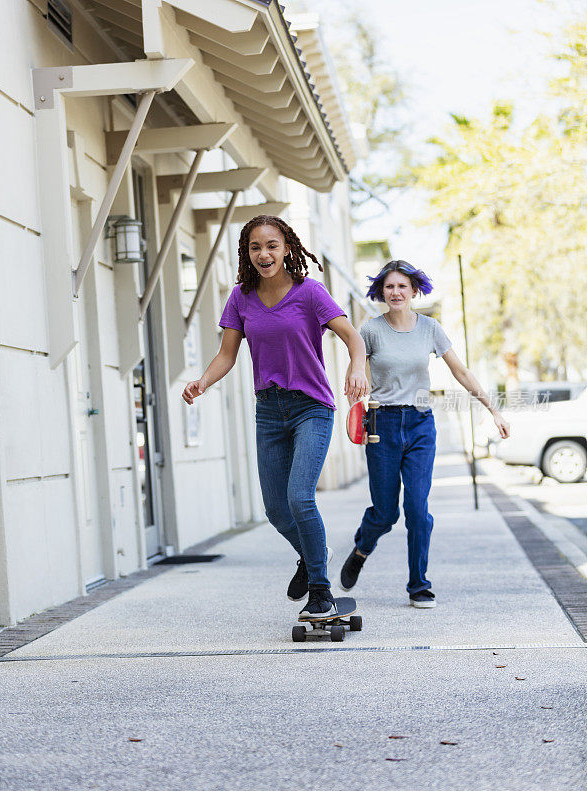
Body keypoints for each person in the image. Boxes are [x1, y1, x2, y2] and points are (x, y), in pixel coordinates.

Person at [182, 215, 368, 620]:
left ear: (287, 248)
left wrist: (357, 368)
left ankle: (321, 592)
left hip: (311, 407)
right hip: (268, 410)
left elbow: (353, 337)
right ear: (246, 254)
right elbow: (227, 354)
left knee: (300, 496)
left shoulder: (310, 293)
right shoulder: (241, 298)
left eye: (271, 245)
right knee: (275, 509)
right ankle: (313, 553)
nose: (263, 254)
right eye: (254, 247)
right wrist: (203, 381)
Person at [339, 260, 510, 607]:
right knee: (386, 513)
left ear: (414, 290)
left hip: (420, 425)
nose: (396, 292)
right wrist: (354, 406)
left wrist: (493, 409)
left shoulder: (430, 328)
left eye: (403, 286)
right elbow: (356, 374)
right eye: (389, 287)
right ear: (380, 292)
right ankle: (362, 548)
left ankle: (419, 584)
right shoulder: (369, 330)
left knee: (417, 509)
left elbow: (460, 371)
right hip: (382, 426)